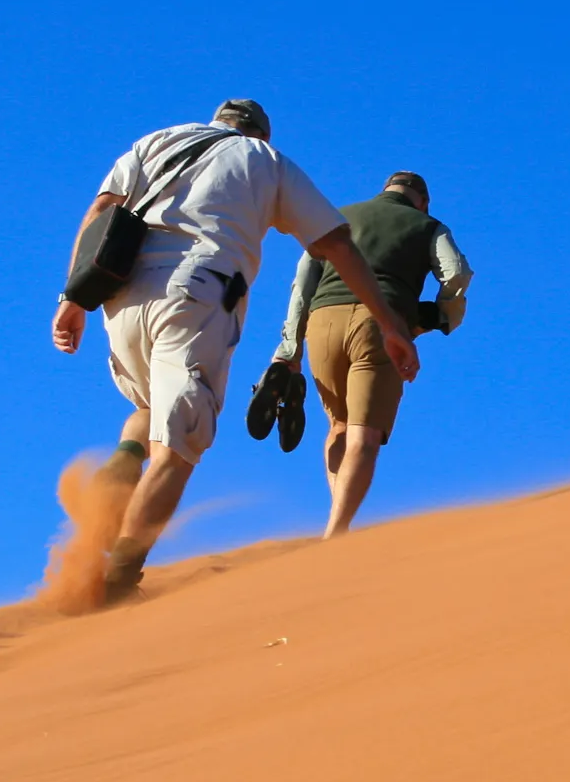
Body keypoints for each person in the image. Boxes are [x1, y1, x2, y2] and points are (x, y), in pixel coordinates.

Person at [50, 99, 418, 605]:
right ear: (261, 134)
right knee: (179, 446)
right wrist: (388, 322)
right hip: (196, 294)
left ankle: (115, 477)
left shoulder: (159, 139)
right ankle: (114, 582)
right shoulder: (266, 161)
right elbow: (336, 245)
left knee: (149, 410)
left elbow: (100, 212)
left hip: (120, 296)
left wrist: (72, 297)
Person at [271, 170, 472, 538]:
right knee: (365, 433)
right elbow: (456, 273)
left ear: (384, 191)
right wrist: (438, 317)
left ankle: (336, 518)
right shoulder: (429, 225)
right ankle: (337, 531)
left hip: (322, 322)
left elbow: (302, 282)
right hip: (381, 323)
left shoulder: (337, 216)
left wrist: (290, 346)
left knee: (339, 426)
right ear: (422, 201)